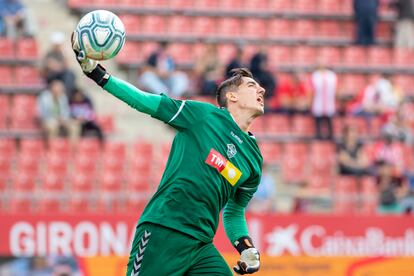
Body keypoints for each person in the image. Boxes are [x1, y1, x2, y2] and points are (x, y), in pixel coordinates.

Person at [72, 35, 264, 275]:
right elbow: (145, 101)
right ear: (232, 97)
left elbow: (234, 212)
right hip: (163, 228)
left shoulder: (254, 160)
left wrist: (245, 247)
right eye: (251, 86)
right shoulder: (202, 116)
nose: (261, 89)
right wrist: (100, 76)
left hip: (201, 245)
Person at [310, 63, 337, 140]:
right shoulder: (315, 76)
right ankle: (318, 133)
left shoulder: (331, 76)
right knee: (318, 119)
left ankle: (330, 134)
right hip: (319, 101)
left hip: (328, 102)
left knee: (329, 119)